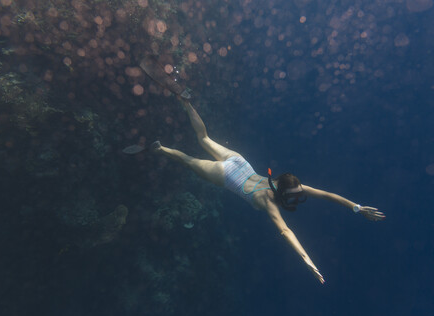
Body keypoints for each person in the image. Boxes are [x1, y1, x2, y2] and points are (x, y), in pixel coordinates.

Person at [151, 99, 385, 284]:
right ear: (287, 192)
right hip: (228, 176)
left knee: (203, 138)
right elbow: (286, 231)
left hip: (239, 162)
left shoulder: (285, 184)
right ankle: (160, 148)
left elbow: (326, 195)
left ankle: (187, 103)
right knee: (189, 161)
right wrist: (308, 261)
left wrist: (356, 207)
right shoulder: (270, 203)